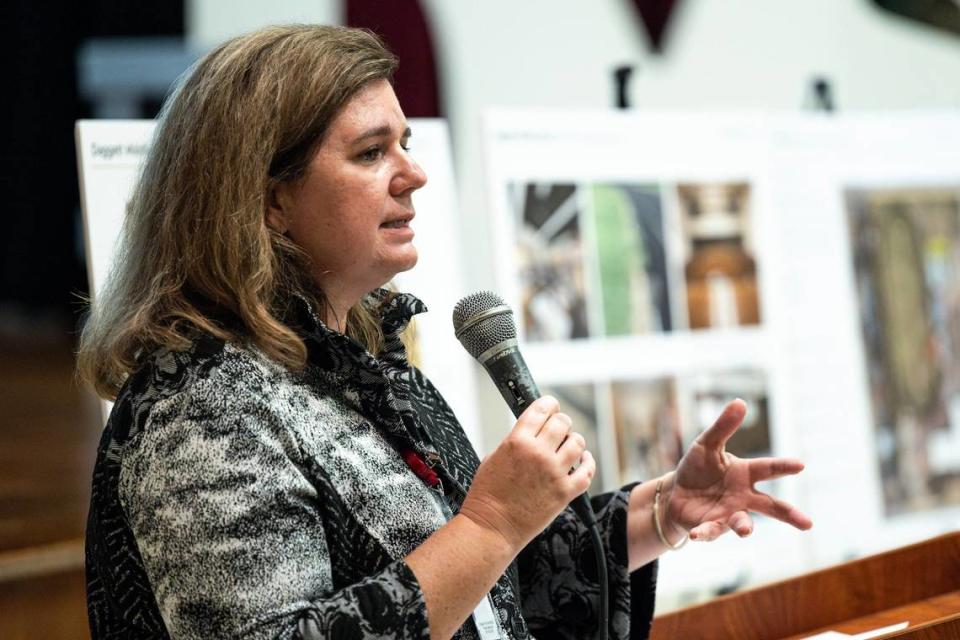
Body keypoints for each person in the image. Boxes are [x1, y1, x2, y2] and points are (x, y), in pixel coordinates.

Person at [77, 24, 812, 640]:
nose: (415, 173)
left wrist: (658, 514)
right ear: (269, 203)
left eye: (404, 142)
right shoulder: (203, 410)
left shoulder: (362, 369)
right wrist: (489, 525)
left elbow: (477, 594)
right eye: (371, 153)